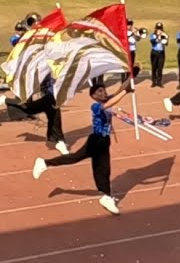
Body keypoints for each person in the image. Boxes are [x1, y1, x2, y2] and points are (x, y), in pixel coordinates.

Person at [32, 80, 131, 215]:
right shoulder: (96, 106)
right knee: (75, 158)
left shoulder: (105, 100)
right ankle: (44, 162)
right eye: (99, 91)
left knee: (103, 169)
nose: (104, 93)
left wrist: (132, 76)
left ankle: (107, 196)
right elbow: (112, 102)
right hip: (95, 141)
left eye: (104, 90)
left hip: (104, 141)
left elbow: (119, 91)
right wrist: (126, 91)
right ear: (93, 96)